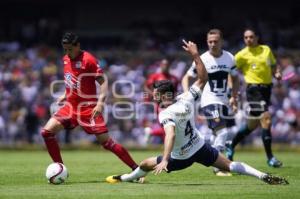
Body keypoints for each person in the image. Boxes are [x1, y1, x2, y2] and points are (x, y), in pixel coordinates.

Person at [105, 40, 288, 185]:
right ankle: (261, 175)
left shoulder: (165, 113)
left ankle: (125, 178)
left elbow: (170, 134)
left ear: (163, 94)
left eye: (155, 93)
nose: (152, 95)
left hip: (180, 157)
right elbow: (203, 78)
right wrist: (195, 55)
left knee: (145, 163)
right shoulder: (187, 98)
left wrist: (166, 159)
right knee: (230, 165)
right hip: (200, 147)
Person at [41, 32, 138, 171]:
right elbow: (71, 79)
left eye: (70, 49)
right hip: (70, 107)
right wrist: (64, 94)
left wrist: (100, 104)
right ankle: (60, 168)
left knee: (106, 143)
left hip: (88, 108)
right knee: (47, 133)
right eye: (65, 49)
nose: (67, 52)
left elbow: (103, 82)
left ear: (77, 45)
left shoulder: (89, 60)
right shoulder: (65, 59)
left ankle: (136, 169)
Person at [182, 29, 239, 176]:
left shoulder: (229, 57)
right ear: (207, 42)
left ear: (221, 41)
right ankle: (218, 166)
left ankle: (195, 143)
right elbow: (186, 77)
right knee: (222, 132)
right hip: (208, 100)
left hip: (223, 101)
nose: (213, 44)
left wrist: (234, 96)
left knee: (224, 133)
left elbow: (234, 77)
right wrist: (188, 95)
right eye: (210, 42)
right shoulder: (203, 59)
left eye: (216, 41)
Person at [226, 28, 283, 168]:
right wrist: (230, 89)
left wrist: (277, 73)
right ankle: (270, 158)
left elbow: (274, 66)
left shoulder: (266, 50)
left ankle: (231, 145)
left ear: (257, 37)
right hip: (253, 90)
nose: (248, 40)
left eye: (251, 37)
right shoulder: (241, 55)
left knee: (252, 125)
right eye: (246, 37)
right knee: (266, 118)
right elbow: (230, 72)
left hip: (267, 90)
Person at [143, 59, 179, 143]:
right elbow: (146, 86)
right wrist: (154, 95)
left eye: (166, 65)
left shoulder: (174, 78)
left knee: (170, 125)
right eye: (163, 64)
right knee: (167, 124)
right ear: (160, 66)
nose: (165, 66)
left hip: (171, 105)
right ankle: (153, 133)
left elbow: (175, 92)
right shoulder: (155, 76)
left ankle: (152, 133)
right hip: (160, 104)